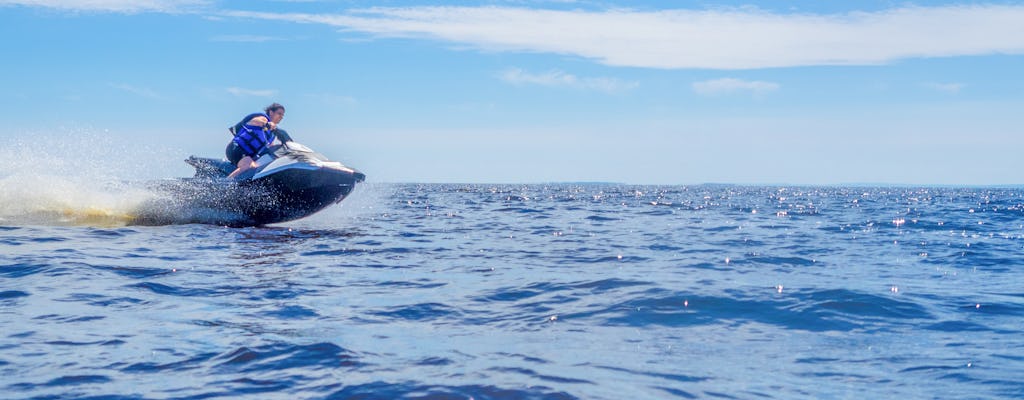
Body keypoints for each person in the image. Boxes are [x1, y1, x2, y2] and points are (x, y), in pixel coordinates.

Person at [225, 103, 293, 179]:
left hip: (248, 156)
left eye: (283, 115)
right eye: (279, 113)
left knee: (264, 164)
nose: (281, 117)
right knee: (249, 166)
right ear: (271, 112)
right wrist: (267, 124)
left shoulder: (271, 135)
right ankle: (225, 185)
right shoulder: (262, 118)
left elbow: (269, 148)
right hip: (236, 149)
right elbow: (256, 121)